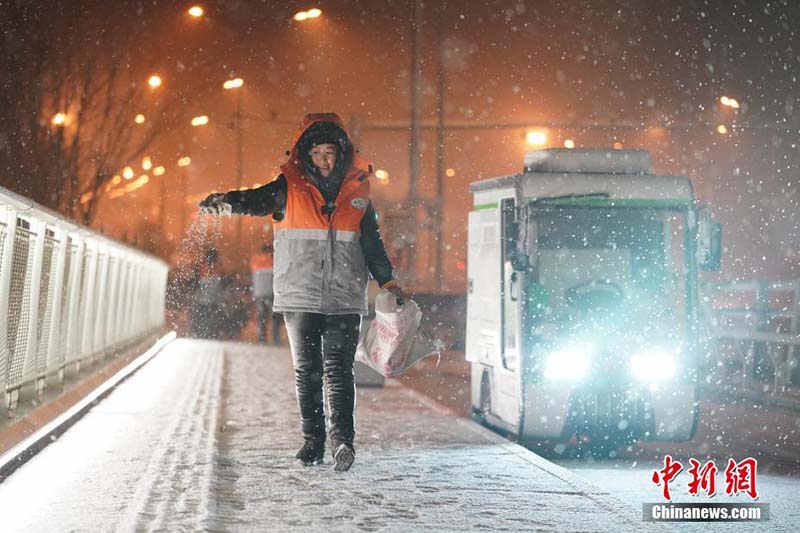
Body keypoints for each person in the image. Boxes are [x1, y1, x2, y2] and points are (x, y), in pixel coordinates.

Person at [199, 113, 404, 471]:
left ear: (341, 154)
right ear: (305, 155)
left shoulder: (359, 196)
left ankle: (343, 441)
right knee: (307, 371)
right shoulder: (288, 188)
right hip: (300, 296)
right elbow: (257, 200)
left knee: (339, 371)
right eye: (317, 153)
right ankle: (313, 443)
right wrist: (227, 202)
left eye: (330, 153)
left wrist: (388, 282)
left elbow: (373, 246)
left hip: (343, 297)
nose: (324, 160)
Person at [250, 242, 282, 345]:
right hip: (271, 292)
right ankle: (276, 338)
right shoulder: (274, 260)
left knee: (262, 316)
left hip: (259, 292)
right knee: (275, 316)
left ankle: (262, 338)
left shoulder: (255, 259)